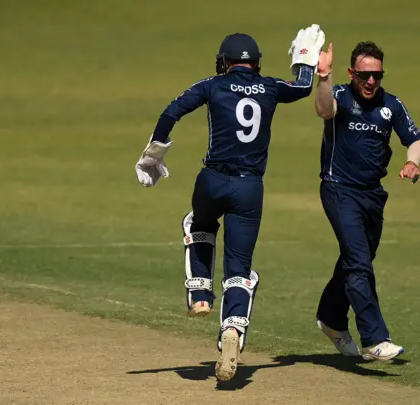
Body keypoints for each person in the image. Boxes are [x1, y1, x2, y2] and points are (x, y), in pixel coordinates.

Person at [134, 26, 326, 381]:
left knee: (199, 224)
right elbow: (302, 87)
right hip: (250, 188)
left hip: (213, 180)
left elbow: (172, 111)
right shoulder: (270, 87)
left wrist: (152, 154)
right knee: (239, 269)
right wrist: (307, 61)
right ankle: (231, 332)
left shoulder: (212, 84)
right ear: (256, 64)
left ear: (224, 63)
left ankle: (201, 294)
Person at [313, 41, 420, 361]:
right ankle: (374, 339)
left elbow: (416, 141)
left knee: (355, 260)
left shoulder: (392, 104)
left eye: (377, 75)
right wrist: (323, 77)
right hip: (338, 189)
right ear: (352, 73)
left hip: (373, 195)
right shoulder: (339, 95)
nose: (371, 82)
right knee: (359, 262)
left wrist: (413, 162)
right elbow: (323, 111)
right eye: (365, 76)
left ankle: (332, 320)